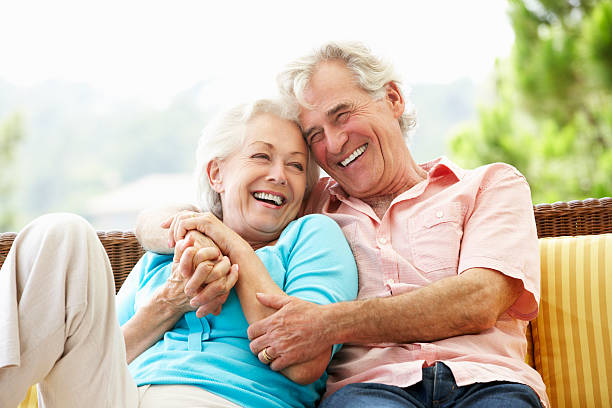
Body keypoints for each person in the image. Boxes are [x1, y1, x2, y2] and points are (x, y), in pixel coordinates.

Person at [138, 42, 549, 407]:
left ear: (392, 99)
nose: (333, 144)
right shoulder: (311, 203)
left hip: (486, 382)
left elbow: (480, 299)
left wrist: (327, 323)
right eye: (316, 133)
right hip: (370, 391)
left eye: (342, 115)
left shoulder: (489, 185)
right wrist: (190, 233)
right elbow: (193, 211)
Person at [0, 99, 358, 408]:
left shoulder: (311, 236)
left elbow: (303, 363)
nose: (279, 175)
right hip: (119, 396)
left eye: (295, 166)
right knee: (61, 232)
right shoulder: (171, 250)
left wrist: (228, 244)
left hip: (229, 399)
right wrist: (170, 302)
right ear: (217, 174)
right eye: (261, 156)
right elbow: (100, 358)